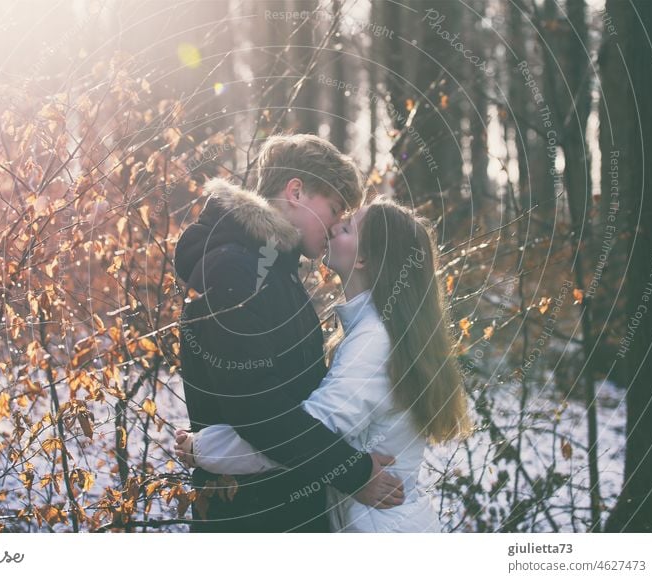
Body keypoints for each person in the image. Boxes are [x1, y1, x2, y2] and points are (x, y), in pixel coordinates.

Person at [176, 196, 473, 532]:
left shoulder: (374, 342)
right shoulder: (371, 331)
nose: (333, 228)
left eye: (346, 228)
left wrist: (204, 447)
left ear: (363, 258)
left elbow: (313, 429)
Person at [173, 134, 405, 532]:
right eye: (334, 208)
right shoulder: (232, 270)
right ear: (296, 191)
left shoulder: (271, 268)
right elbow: (258, 411)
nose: (336, 225)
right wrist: (353, 472)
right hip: (248, 519)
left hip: (280, 509)